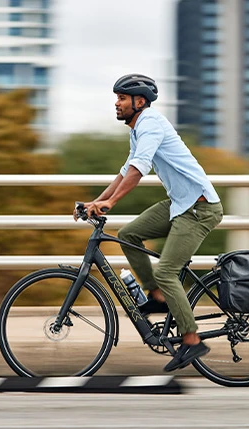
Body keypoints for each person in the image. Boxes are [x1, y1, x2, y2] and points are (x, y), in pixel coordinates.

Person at [76, 74, 224, 372]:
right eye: (116, 98)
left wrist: (111, 203)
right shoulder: (138, 128)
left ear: (139, 101)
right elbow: (125, 170)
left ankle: (192, 340)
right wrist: (97, 201)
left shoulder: (150, 123)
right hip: (180, 204)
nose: (116, 104)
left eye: (121, 98)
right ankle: (156, 296)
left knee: (168, 271)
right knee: (130, 234)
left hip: (199, 208)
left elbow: (139, 169)